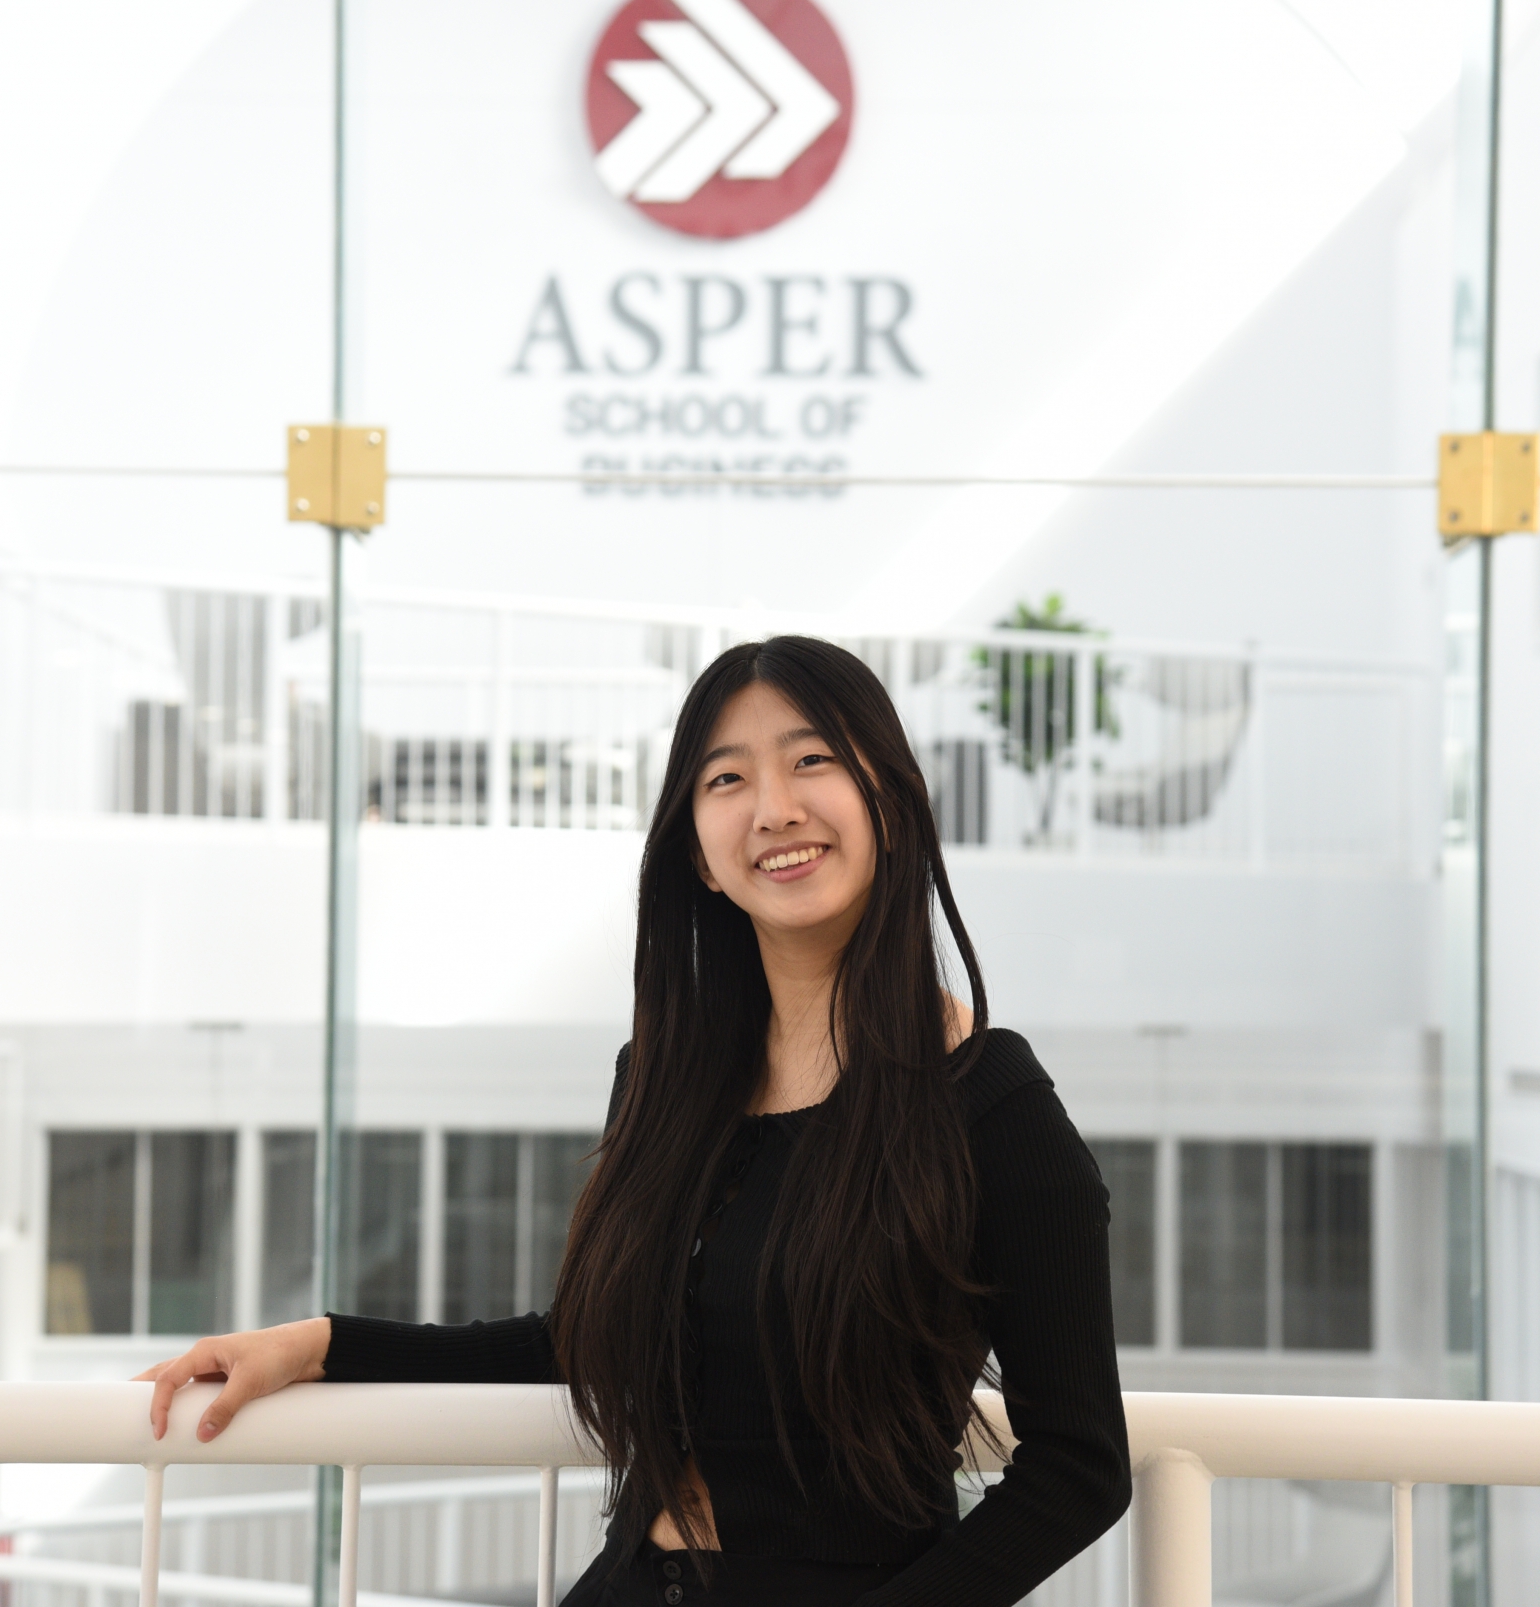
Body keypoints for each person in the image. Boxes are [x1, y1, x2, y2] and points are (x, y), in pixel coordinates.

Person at [141, 635, 1130, 1605]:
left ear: (891, 802)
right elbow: (588, 1341)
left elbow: (1078, 1470)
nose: (774, 809)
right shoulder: (666, 1082)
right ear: (697, 855)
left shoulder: (984, 1101)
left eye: (812, 760)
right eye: (725, 780)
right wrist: (320, 1345)